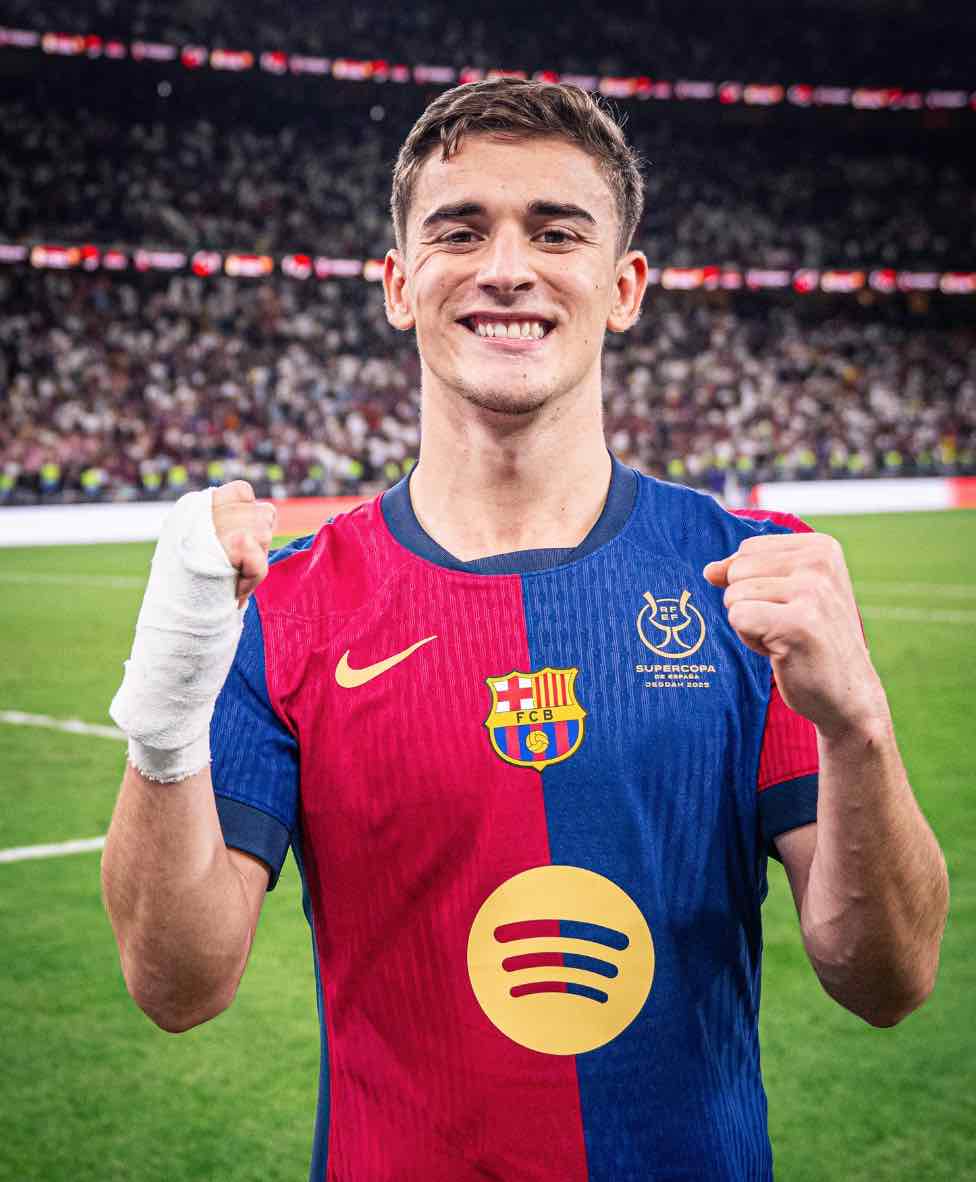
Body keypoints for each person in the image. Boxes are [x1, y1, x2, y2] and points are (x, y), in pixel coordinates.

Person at [101, 80, 949, 1181]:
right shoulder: (290, 605)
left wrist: (859, 726)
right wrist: (167, 706)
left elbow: (887, 980)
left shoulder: (751, 578)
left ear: (623, 286)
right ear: (400, 285)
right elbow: (178, 986)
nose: (507, 267)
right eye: (460, 231)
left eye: (556, 232)